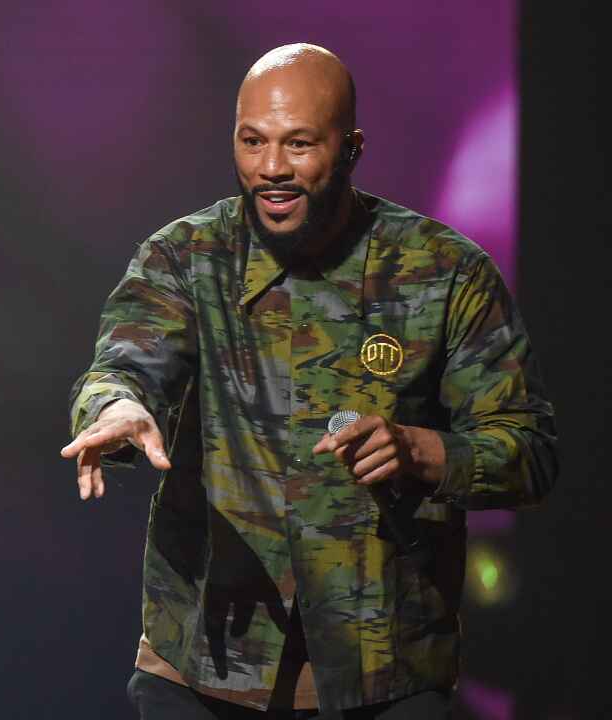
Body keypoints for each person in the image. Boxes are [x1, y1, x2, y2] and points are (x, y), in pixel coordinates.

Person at [61, 44, 557, 719]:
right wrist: (118, 408)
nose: (271, 169)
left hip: (387, 676)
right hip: (203, 666)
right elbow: (125, 362)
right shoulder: (185, 257)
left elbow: (529, 452)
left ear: (351, 148)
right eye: (252, 141)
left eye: (298, 145)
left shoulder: (445, 274)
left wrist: (422, 452)